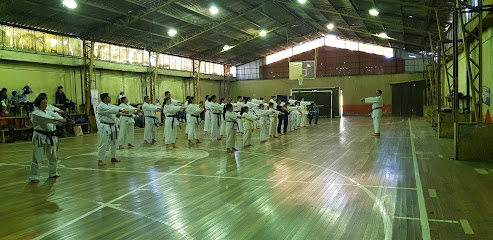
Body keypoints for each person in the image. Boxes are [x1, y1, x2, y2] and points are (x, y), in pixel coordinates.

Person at [29, 95, 66, 183]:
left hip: (51, 136)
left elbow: (56, 115)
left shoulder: (48, 111)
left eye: (46, 103)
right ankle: (34, 176)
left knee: (53, 156)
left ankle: (53, 173)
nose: (45, 105)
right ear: (38, 104)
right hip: (40, 136)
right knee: (38, 157)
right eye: (43, 103)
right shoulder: (35, 113)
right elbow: (46, 119)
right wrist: (57, 119)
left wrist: (61, 118)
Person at [97, 93, 129, 166]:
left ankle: (113, 157)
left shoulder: (110, 105)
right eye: (108, 97)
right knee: (103, 143)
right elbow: (111, 110)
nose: (110, 98)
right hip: (105, 126)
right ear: (105, 99)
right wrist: (121, 111)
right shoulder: (101, 106)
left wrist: (124, 110)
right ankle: (100, 159)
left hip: (112, 126)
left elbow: (114, 107)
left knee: (113, 143)